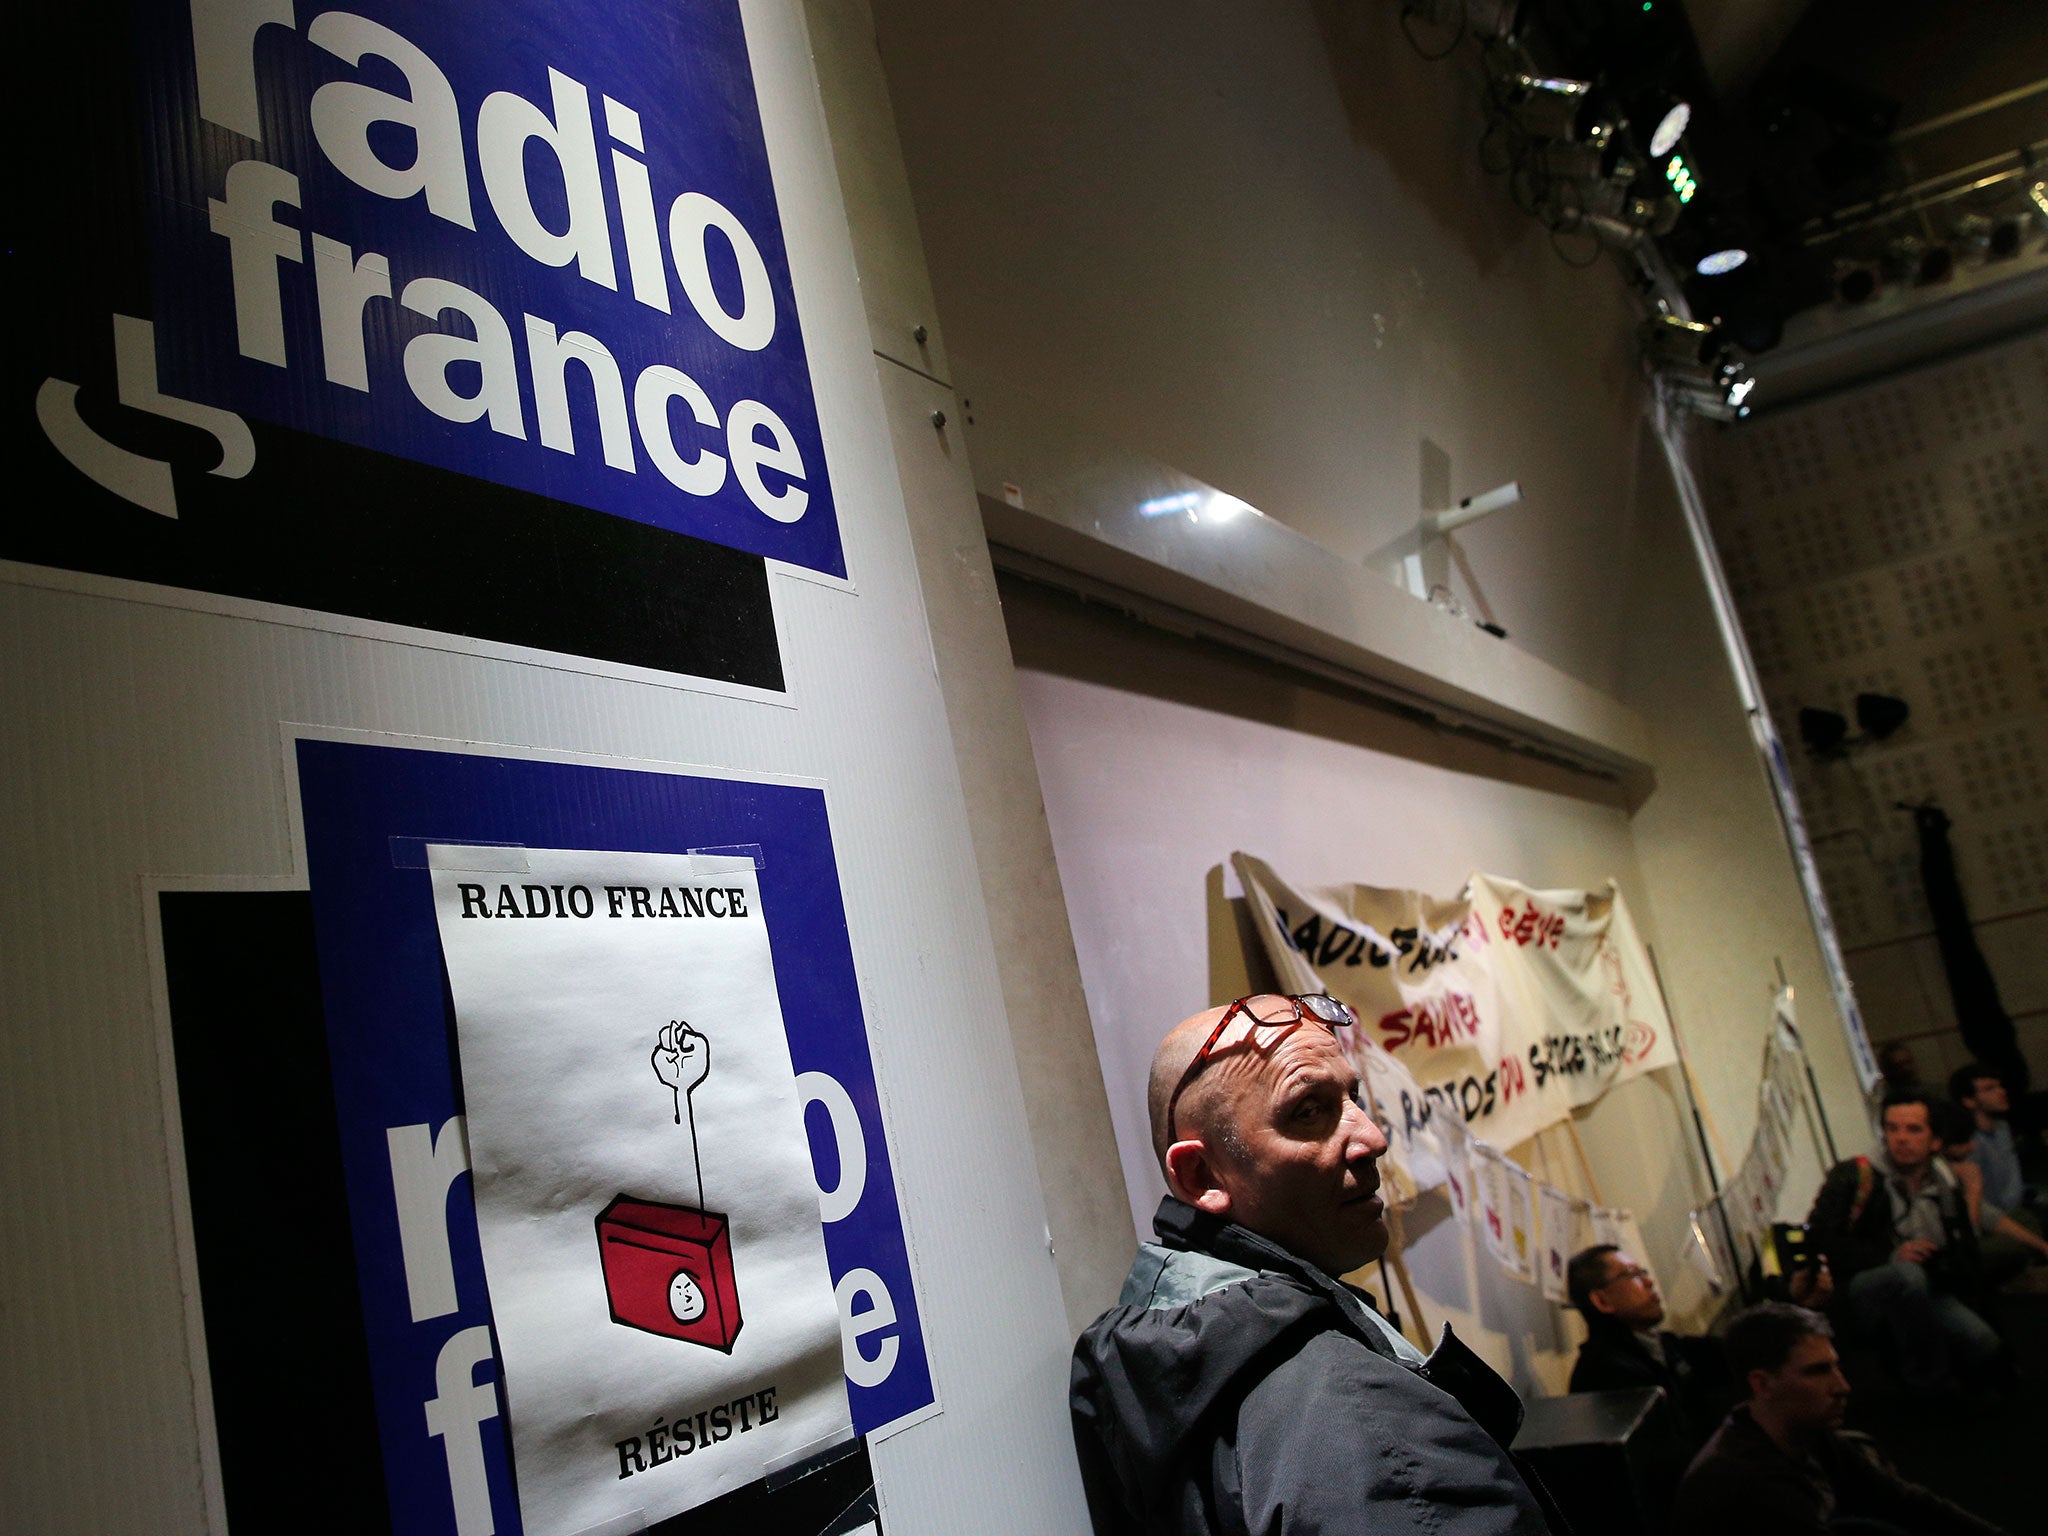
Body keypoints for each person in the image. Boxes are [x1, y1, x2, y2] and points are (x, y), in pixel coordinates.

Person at [1070, 994, 1553, 1535]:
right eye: (1308, 1111)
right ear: (1202, 1176)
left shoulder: (1165, 1358)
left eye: (1353, 1097)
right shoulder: (1364, 1420)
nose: (1372, 1138)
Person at [1672, 1302, 2003, 1536]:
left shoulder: (1804, 1433)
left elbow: (1901, 1501)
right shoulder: (1745, 1484)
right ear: (1762, 1383)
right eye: (1817, 1372)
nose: (1842, 1386)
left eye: (1835, 1366)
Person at [1805, 1091, 2001, 1394]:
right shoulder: (1858, 1175)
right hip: (1861, 1286)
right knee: (1906, 1276)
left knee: (1983, 1344)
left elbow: (1966, 1254)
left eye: (1913, 1129)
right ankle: (1928, 1383)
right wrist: (1890, 1255)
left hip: (1928, 1284)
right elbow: (1821, 1237)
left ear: (1936, 1141)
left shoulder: (1943, 1183)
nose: (1900, 1139)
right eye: (1892, 1128)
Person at [1565, 1242, 1745, 1447]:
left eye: (1644, 1273)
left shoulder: (1663, 1346)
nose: (1649, 1282)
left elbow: (1734, 1349)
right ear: (1602, 1301)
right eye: (1633, 1275)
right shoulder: (1606, 1373)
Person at [1932, 1098, 2048, 1287]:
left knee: (2023, 1218)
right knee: (2009, 1245)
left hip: (1977, 1231)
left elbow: (1992, 1217)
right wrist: (1973, 1190)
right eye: (1963, 1141)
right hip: (1950, 1254)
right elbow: (1966, 1235)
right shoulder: (1940, 1174)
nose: (1972, 1147)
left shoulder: (1954, 1167)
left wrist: (2043, 1246)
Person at [1948, 1064, 2042, 1224]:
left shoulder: (2002, 1128)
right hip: (2002, 1216)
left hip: (2024, 1201)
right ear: (1969, 1101)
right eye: (1989, 1089)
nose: (2001, 1092)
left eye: (2000, 1086)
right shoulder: (1969, 1143)